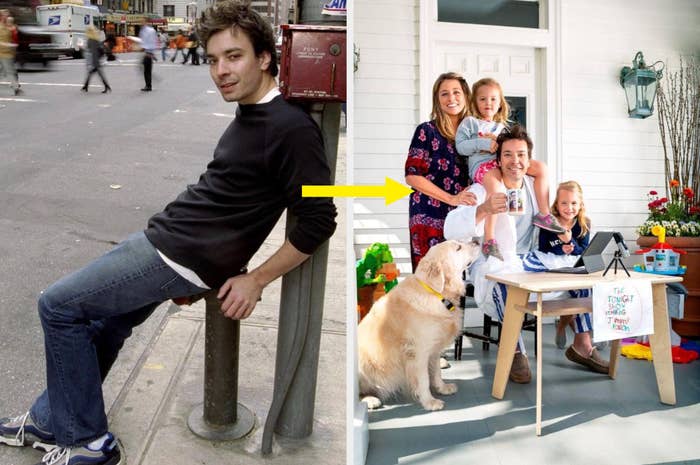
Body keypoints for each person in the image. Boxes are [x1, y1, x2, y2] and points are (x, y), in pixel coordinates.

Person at [0, 2, 337, 464]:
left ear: (264, 57)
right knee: (104, 324)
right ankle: (51, 418)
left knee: (57, 306)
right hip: (174, 247)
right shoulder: (251, 111)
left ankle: (87, 441)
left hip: (177, 254)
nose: (221, 70)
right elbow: (233, 195)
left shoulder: (291, 128)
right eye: (214, 59)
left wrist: (254, 278)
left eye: (234, 57)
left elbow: (319, 218)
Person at [444, 125, 608, 384]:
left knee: (579, 273)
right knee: (504, 285)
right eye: (508, 155)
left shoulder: (534, 187)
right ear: (498, 159)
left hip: (534, 259)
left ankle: (582, 345)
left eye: (521, 155)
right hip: (496, 261)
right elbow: (449, 227)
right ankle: (515, 350)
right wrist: (484, 208)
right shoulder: (480, 190)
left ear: (528, 160)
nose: (515, 161)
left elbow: (554, 220)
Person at [455, 78, 565, 261]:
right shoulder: (470, 123)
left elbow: (510, 150)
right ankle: (490, 238)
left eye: (493, 99)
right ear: (474, 102)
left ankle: (544, 215)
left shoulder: (502, 127)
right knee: (496, 190)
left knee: (541, 168)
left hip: (500, 164)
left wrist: (499, 144)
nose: (487, 103)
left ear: (500, 103)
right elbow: (461, 147)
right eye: (482, 99)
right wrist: (483, 143)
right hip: (482, 167)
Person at [405, 72, 476, 272]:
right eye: (444, 94)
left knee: (455, 280)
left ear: (466, 96)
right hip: (428, 212)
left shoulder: (474, 135)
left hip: (460, 215)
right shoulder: (426, 131)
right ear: (437, 99)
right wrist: (451, 198)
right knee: (431, 278)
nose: (451, 98)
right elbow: (412, 175)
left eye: (456, 92)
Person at [537, 180, 593, 351]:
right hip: (553, 270)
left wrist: (571, 244)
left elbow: (583, 251)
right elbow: (543, 248)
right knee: (571, 293)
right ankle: (567, 328)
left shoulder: (584, 224)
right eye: (564, 203)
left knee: (585, 290)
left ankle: (584, 335)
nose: (569, 208)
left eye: (574, 203)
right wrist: (561, 249)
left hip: (574, 270)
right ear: (557, 204)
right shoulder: (549, 224)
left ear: (581, 204)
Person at [81, 26, 111, 93]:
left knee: (96, 73)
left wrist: (95, 63)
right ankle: (85, 86)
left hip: (95, 60)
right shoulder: (95, 39)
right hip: (96, 59)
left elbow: (93, 52)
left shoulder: (91, 40)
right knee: (91, 73)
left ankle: (106, 86)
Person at [0, 9, 21, 96]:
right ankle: (16, 87)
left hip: (6, 53)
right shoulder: (2, 27)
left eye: (7, 15)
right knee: (8, 71)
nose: (6, 16)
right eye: (4, 15)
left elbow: (13, 38)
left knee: (8, 70)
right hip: (4, 51)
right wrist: (8, 45)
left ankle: (16, 87)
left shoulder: (9, 27)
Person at [138, 20, 157, 91]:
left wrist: (142, 48)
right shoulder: (152, 30)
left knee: (146, 70)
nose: (141, 23)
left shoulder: (145, 31)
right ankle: (149, 85)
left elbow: (145, 42)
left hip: (147, 53)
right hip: (150, 52)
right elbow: (153, 41)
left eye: (142, 22)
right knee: (148, 70)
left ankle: (148, 86)